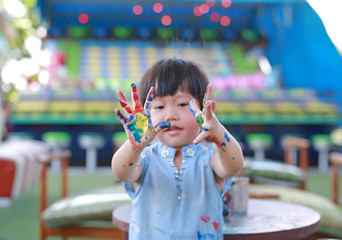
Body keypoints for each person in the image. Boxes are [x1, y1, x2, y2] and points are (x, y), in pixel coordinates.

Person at [111, 57, 243, 240]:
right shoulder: (144, 159)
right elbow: (121, 172)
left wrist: (220, 135)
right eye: (159, 106)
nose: (171, 115)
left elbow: (233, 165)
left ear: (204, 108)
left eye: (182, 104)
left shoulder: (211, 159)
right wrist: (134, 147)